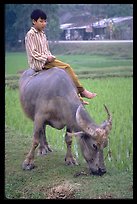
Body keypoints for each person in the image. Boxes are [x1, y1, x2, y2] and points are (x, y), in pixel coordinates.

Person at [25, 9, 97, 105]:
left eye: (45, 21)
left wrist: (50, 56)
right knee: (67, 67)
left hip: (47, 60)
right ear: (34, 21)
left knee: (64, 77)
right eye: (41, 21)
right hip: (39, 63)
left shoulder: (42, 34)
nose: (44, 24)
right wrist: (46, 58)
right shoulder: (31, 34)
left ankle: (78, 99)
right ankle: (82, 91)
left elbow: (46, 50)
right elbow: (32, 52)